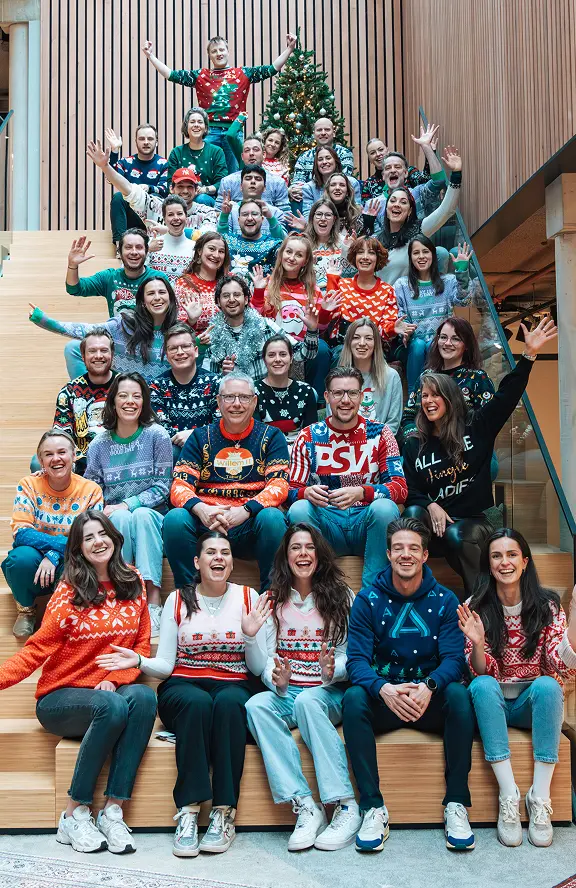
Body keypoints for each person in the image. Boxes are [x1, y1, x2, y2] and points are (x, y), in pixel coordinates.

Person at [96, 531, 272, 857]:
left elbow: (259, 666)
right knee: (197, 703)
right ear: (197, 561)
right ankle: (189, 811)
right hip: (183, 686)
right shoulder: (178, 599)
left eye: (224, 553)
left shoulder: (248, 597)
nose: (218, 558)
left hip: (234, 683)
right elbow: (165, 664)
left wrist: (249, 636)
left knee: (230, 704)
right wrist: (138, 660)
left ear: (232, 562)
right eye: (211, 552)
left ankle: (223, 812)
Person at [0, 510, 156, 854]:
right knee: (112, 705)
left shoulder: (134, 582)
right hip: (60, 698)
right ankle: (74, 814)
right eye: (88, 538)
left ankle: (113, 811)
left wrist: (114, 680)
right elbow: (36, 650)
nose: (98, 541)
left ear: (114, 538)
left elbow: (140, 647)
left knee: (144, 698)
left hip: (106, 694)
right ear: (79, 549)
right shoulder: (69, 591)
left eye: (102, 534)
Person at [342, 517, 476, 852]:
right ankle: (373, 807)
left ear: (425, 555)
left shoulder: (445, 600)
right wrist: (383, 689)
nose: (406, 554)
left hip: (427, 698)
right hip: (386, 699)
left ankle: (456, 804)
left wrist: (428, 686)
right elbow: (356, 661)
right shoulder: (367, 600)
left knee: (459, 695)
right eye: (398, 548)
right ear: (387, 554)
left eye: (413, 548)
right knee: (354, 699)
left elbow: (454, 659)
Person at [402, 316, 557, 597]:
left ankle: (483, 602)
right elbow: (410, 489)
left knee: (455, 535)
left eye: (436, 396)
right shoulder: (415, 444)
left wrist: (529, 356)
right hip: (436, 528)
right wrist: (430, 506)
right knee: (412, 514)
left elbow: (506, 397)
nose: (429, 401)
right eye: (424, 396)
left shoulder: (477, 429)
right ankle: (413, 596)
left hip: (471, 525)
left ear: (451, 399)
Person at [458, 529, 576, 848]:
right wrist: (479, 643)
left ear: (524, 562)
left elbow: (559, 664)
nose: (505, 562)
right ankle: (508, 796)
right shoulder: (475, 605)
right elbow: (478, 672)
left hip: (529, 705)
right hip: (492, 703)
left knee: (550, 686)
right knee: (482, 685)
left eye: (512, 555)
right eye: (497, 556)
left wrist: (575, 611)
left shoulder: (548, 605)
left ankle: (539, 798)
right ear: (488, 564)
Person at [246, 523, 361, 851]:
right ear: (285, 556)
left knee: (309, 701)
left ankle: (344, 804)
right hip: (288, 693)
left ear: (319, 554)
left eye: (309, 547)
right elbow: (263, 662)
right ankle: (306, 806)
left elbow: (349, 655)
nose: (303, 554)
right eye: (295, 548)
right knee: (255, 705)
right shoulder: (269, 600)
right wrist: (273, 679)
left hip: (327, 693)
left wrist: (332, 670)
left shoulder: (342, 596)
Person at [164, 371, 289, 592]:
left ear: (254, 401)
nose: (236, 404)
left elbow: (279, 486)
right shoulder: (200, 437)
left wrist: (246, 511)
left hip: (249, 524)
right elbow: (179, 486)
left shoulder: (272, 436)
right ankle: (188, 596)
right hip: (207, 523)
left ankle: (272, 597)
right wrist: (201, 509)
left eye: (244, 397)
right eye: (229, 397)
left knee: (273, 517)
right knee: (175, 518)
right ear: (219, 402)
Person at [287, 367, 407, 587]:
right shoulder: (308, 436)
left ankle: (373, 595)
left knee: (385, 508)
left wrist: (363, 492)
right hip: (326, 525)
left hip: (367, 523)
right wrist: (305, 492)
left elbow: (400, 488)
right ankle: (319, 588)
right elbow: (290, 491)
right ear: (327, 397)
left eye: (352, 393)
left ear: (361, 396)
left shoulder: (380, 433)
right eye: (338, 393)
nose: (345, 400)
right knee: (299, 509)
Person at [85, 372, 172, 637]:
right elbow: (92, 489)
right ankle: (126, 599)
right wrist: (115, 509)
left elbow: (163, 487)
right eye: (123, 395)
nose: (130, 401)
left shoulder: (157, 436)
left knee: (141, 515)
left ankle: (153, 602)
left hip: (154, 515)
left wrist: (128, 504)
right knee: (120, 520)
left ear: (144, 401)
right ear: (112, 402)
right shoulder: (99, 444)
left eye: (137, 396)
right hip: (116, 518)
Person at [143, 34, 297, 174]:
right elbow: (171, 75)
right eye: (214, 51)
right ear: (209, 55)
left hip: (234, 131)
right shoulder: (201, 76)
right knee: (206, 171)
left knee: (235, 172)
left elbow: (272, 69)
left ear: (228, 51)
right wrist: (151, 57)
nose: (219, 53)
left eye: (222, 49)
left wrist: (289, 49)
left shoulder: (243, 73)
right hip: (209, 132)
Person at [1, 431, 103, 639]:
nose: (56, 458)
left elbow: (88, 539)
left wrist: (53, 556)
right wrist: (54, 548)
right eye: (48, 454)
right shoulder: (29, 484)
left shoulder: (91, 490)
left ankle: (59, 616)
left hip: (72, 558)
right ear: (41, 460)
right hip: (36, 558)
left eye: (62, 452)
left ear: (74, 456)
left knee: (76, 565)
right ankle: (27, 611)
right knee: (19, 559)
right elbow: (21, 532)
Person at [30, 275, 197, 383]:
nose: (157, 297)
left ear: (170, 298)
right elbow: (86, 330)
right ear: (142, 302)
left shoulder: (177, 331)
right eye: (151, 293)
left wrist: (193, 323)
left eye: (162, 292)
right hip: (124, 399)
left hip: (162, 401)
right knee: (74, 347)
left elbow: (192, 364)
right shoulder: (123, 324)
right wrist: (45, 321)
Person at [63, 230, 169, 379]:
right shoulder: (110, 277)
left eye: (139, 247)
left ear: (146, 250)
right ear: (119, 251)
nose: (134, 252)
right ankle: (90, 396)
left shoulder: (157, 278)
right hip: (118, 340)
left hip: (149, 341)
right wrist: (72, 265)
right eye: (128, 247)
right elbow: (75, 288)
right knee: (72, 348)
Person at [251, 236, 333, 397]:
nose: (292, 257)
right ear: (281, 254)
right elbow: (254, 319)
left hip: (301, 346)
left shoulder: (312, 289)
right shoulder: (266, 283)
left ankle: (316, 400)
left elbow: (320, 328)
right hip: (271, 343)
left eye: (298, 255)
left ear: (305, 261)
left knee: (322, 348)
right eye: (288, 252)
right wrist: (258, 292)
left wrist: (324, 313)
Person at [87, 140, 219, 239]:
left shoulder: (207, 212)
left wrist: (167, 230)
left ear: (196, 190)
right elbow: (127, 189)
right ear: (171, 189)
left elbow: (207, 236)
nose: (185, 191)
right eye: (180, 186)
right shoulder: (155, 206)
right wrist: (105, 167)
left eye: (189, 187)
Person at [370, 145, 463, 285]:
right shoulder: (375, 241)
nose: (396, 205)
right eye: (393, 201)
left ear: (409, 211)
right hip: (383, 303)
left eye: (403, 202)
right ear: (386, 208)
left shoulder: (418, 231)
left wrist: (456, 174)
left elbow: (447, 209)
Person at [393, 236, 475, 392]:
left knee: (432, 343)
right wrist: (404, 330)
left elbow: (464, 302)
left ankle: (437, 391)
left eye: (425, 251)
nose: (421, 256)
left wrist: (462, 273)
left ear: (433, 255)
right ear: (411, 258)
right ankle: (413, 395)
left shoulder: (448, 281)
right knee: (418, 345)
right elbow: (400, 317)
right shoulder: (402, 285)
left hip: (440, 344)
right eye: (416, 253)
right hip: (411, 346)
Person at [202, 273, 319, 382]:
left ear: (246, 299)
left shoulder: (265, 325)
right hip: (233, 399)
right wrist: (224, 376)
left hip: (264, 397)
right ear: (218, 301)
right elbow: (207, 381)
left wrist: (312, 330)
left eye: (237, 294)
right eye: (226, 296)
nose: (232, 299)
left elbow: (305, 354)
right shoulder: (212, 334)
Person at [401, 317, 495, 444]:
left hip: (465, 453)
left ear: (466, 345)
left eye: (455, 339)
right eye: (443, 337)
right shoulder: (425, 376)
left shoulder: (478, 378)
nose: (447, 343)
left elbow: (488, 421)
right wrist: (414, 442)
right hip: (427, 452)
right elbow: (408, 416)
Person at [150, 323, 219, 462]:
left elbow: (222, 423)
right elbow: (160, 430)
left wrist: (195, 436)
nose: (180, 352)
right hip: (174, 455)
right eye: (173, 348)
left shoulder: (215, 382)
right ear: (167, 355)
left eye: (185, 346)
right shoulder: (156, 386)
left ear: (196, 351)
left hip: (211, 450)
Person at [53, 329, 117, 475]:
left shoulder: (127, 386)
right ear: (83, 356)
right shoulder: (69, 392)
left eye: (104, 350)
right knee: (38, 462)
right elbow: (61, 436)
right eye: (92, 351)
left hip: (121, 456)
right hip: (81, 460)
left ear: (112, 355)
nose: (98, 356)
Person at [324, 236, 399, 346]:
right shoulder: (342, 284)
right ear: (354, 257)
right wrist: (332, 280)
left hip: (373, 351)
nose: (365, 257)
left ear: (378, 258)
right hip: (342, 348)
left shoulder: (388, 290)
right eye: (360, 252)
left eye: (371, 253)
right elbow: (330, 316)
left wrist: (393, 328)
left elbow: (386, 332)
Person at [333, 318, 403, 432]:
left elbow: (393, 423)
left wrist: (372, 444)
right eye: (356, 338)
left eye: (368, 338)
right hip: (344, 444)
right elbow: (333, 420)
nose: (362, 343)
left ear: (376, 344)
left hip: (380, 445)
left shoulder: (391, 377)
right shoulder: (336, 378)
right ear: (348, 342)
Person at [104, 123, 169, 241]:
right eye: (141, 138)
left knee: (155, 197)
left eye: (150, 138)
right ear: (136, 142)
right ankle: (120, 245)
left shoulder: (164, 164)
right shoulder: (126, 162)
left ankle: (153, 240)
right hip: (131, 214)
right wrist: (114, 151)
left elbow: (165, 190)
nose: (146, 142)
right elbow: (111, 177)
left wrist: (148, 187)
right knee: (118, 197)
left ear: (156, 142)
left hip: (152, 215)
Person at [255, 336, 318, 446]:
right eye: (271, 355)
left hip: (299, 452)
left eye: (283, 354)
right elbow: (255, 434)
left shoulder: (305, 391)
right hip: (265, 451)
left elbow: (311, 434)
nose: (278, 359)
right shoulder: (253, 390)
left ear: (291, 358)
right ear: (264, 360)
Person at [215, 136, 290, 215]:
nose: (251, 153)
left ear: (264, 154)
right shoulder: (228, 181)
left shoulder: (278, 183)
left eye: (255, 150)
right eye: (247, 150)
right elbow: (217, 213)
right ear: (242, 157)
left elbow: (285, 215)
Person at [167, 108, 228, 203]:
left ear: (206, 128)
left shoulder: (216, 152)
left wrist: (204, 190)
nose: (196, 125)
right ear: (186, 127)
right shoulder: (176, 152)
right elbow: (170, 182)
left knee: (201, 199)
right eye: (192, 122)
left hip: (206, 200)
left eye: (200, 122)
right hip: (181, 198)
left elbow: (222, 182)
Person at [286, 198, 345, 291]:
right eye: (318, 214)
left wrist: (348, 250)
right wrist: (306, 265)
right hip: (308, 294)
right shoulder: (302, 243)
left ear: (334, 220)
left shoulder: (344, 242)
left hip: (337, 293)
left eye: (328, 215)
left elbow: (350, 277)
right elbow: (290, 274)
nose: (323, 219)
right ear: (312, 218)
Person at [174, 231, 230, 327]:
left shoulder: (230, 282)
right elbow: (178, 327)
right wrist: (192, 321)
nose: (216, 255)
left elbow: (246, 314)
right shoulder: (184, 284)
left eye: (221, 251)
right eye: (211, 249)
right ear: (200, 251)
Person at [217, 198, 284, 276]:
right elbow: (220, 238)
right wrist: (224, 215)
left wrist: (271, 218)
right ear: (238, 220)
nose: (249, 218)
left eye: (254, 214)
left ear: (262, 219)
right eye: (245, 214)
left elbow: (282, 244)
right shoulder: (230, 241)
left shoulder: (273, 245)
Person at [216, 164, 287, 235]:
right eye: (248, 178)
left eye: (258, 179)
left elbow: (283, 242)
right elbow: (221, 241)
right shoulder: (230, 212)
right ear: (241, 186)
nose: (253, 182)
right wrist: (224, 216)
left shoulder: (275, 213)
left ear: (264, 188)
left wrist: (271, 218)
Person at [290, 118, 354, 192]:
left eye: (327, 129)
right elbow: (297, 182)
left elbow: (344, 181)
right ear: (314, 134)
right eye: (319, 130)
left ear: (333, 133)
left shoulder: (344, 153)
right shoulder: (304, 157)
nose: (323, 133)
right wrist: (295, 190)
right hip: (309, 197)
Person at [361, 138, 430, 202]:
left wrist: (429, 150)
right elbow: (365, 208)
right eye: (373, 153)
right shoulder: (369, 183)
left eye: (381, 150)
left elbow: (425, 180)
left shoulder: (408, 171)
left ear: (387, 151)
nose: (378, 154)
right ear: (369, 159)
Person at [300, 147, 362, 217]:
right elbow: (308, 216)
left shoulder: (352, 183)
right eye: (320, 159)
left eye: (328, 158)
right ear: (316, 164)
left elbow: (357, 211)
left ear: (336, 161)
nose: (324, 162)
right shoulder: (309, 188)